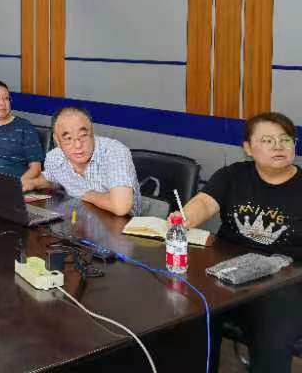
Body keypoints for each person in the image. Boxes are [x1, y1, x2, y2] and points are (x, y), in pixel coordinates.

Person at [170, 111, 302, 373]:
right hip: (226, 272)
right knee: (189, 313)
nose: (278, 146)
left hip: (284, 281)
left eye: (285, 139)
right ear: (248, 148)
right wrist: (186, 217)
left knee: (272, 331)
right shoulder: (233, 175)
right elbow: (205, 202)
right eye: (267, 140)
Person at [29, 105, 141, 216]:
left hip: (126, 223)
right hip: (83, 218)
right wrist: (32, 183)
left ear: (92, 131)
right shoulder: (55, 158)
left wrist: (88, 195)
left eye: (83, 135)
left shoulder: (114, 152)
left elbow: (120, 207)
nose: (78, 145)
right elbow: (53, 179)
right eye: (68, 138)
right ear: (57, 139)